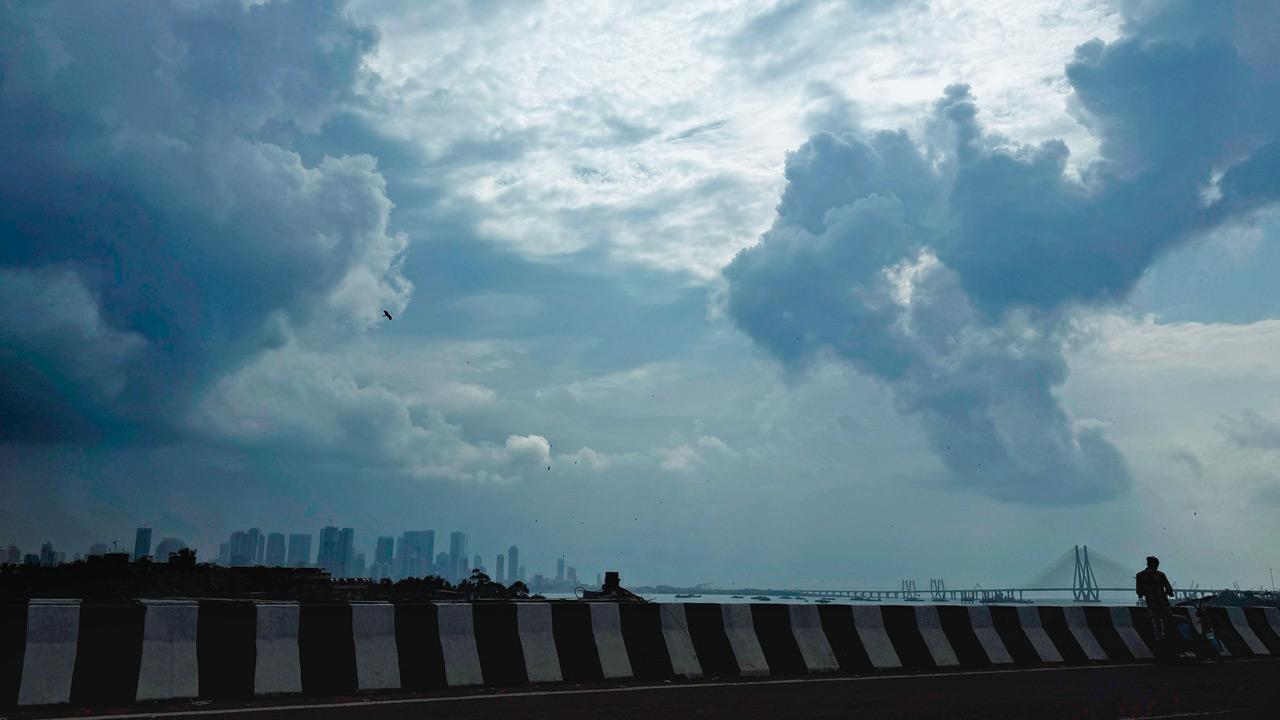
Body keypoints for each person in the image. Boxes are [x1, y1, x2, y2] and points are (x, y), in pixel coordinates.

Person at [1136, 555, 1174, 642]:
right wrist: (1165, 593)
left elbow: (1139, 592)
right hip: (1163, 603)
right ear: (1155, 564)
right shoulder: (1160, 575)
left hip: (1151, 604)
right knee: (1168, 622)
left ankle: (1158, 640)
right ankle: (1169, 640)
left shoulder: (1139, 575)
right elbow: (1170, 590)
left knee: (1155, 623)